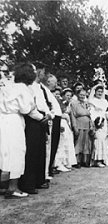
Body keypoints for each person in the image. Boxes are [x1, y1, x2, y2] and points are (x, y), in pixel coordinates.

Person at [0, 63, 38, 198]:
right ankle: (13, 187)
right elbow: (26, 109)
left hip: (2, 119)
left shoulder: (7, 86)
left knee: (4, 152)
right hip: (14, 120)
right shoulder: (23, 88)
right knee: (17, 151)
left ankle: (3, 185)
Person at [19, 62, 53, 194]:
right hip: (33, 119)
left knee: (40, 152)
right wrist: (41, 117)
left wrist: (49, 115)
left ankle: (38, 180)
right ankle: (28, 183)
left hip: (41, 118)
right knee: (32, 152)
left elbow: (44, 103)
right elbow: (32, 106)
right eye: (43, 72)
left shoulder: (40, 87)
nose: (44, 75)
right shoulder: (30, 86)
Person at [54, 88, 77, 172]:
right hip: (61, 122)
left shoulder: (69, 104)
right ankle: (59, 163)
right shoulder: (59, 103)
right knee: (62, 142)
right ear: (63, 96)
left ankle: (66, 162)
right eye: (67, 95)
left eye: (70, 96)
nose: (69, 97)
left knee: (68, 141)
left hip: (67, 123)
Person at [88, 84, 108, 167]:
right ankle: (97, 160)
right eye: (98, 91)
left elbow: (107, 112)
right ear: (95, 92)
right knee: (98, 140)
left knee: (104, 140)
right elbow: (91, 112)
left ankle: (103, 159)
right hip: (96, 122)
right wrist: (96, 123)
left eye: (101, 91)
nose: (100, 93)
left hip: (104, 122)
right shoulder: (92, 100)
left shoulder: (105, 101)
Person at [71, 89, 92, 167]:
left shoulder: (87, 104)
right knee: (78, 143)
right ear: (77, 95)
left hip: (87, 125)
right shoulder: (74, 104)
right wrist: (74, 126)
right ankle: (77, 161)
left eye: (84, 95)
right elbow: (73, 116)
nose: (82, 96)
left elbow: (90, 114)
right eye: (81, 95)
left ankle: (84, 160)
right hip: (79, 124)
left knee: (86, 143)